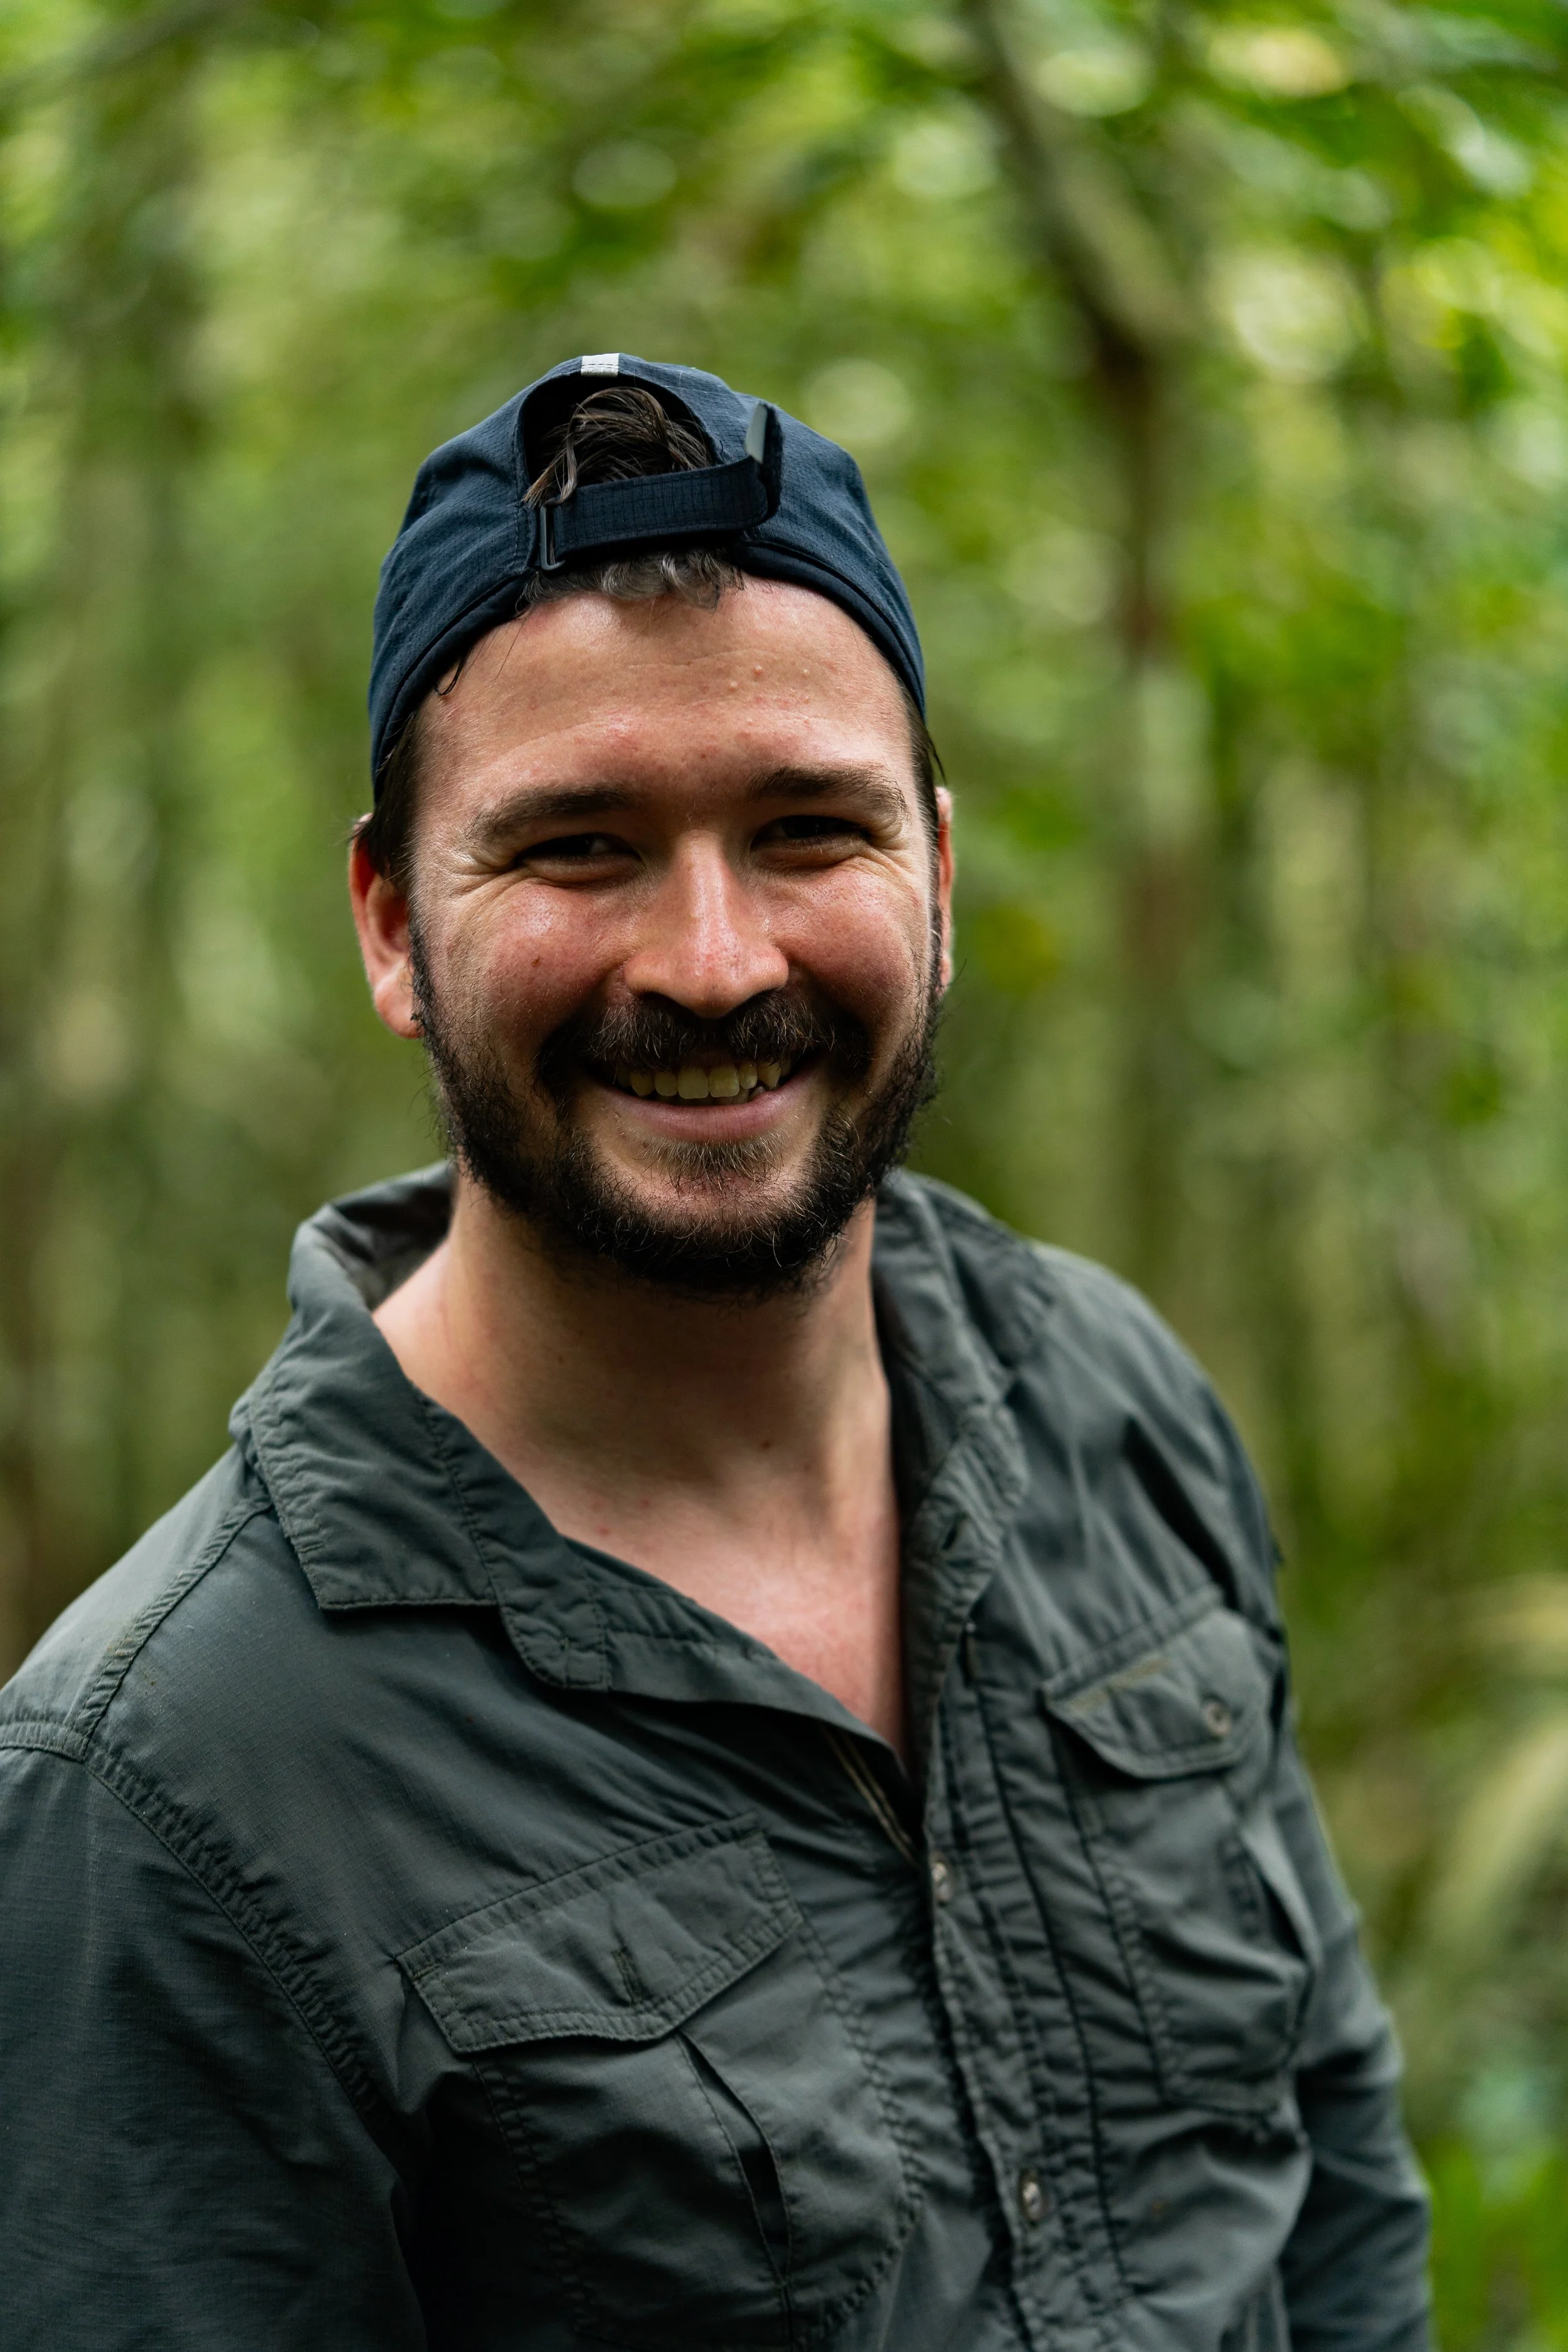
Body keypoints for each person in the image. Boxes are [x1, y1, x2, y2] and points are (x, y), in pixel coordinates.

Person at [0, 355, 1429, 2350]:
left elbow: (1332, 2183)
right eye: (577, 846)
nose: (712, 960)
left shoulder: (1105, 1392)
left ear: (934, 869)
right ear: (394, 922)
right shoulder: (166, 1776)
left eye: (803, 830)